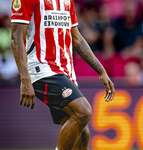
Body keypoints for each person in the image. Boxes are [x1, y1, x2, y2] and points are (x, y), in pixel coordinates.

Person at [11, 0, 115, 150]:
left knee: (82, 132)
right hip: (42, 67)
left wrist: (101, 71)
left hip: (65, 71)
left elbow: (77, 38)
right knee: (83, 112)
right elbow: (16, 37)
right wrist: (25, 79)